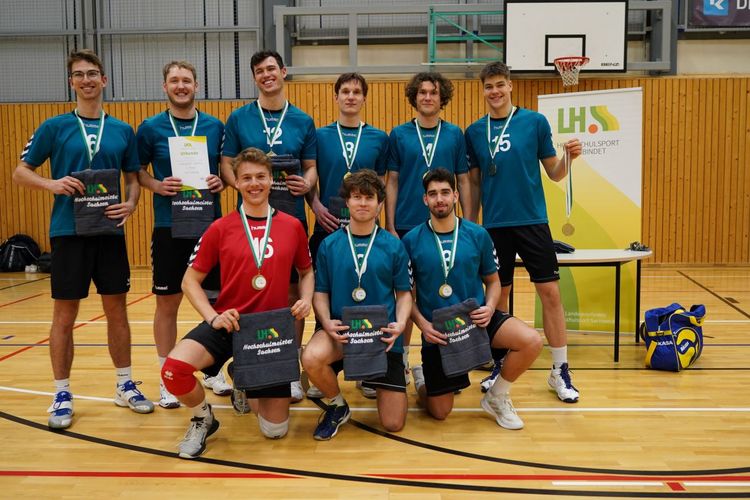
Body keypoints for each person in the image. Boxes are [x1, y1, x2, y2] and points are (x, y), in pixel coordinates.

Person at [13, 49, 153, 429]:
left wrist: (131, 205)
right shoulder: (53, 127)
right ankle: (61, 392)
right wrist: (52, 183)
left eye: (93, 73)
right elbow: (20, 172)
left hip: (108, 232)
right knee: (64, 315)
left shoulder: (123, 130)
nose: (87, 80)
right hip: (67, 233)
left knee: (116, 311)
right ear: (71, 83)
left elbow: (132, 178)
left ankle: (124, 384)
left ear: (104, 80)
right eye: (79, 75)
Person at [161, 147, 313, 459]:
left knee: (275, 431)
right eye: (246, 178)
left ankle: (241, 379)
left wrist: (306, 299)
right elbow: (189, 281)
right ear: (237, 183)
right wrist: (213, 316)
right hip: (230, 324)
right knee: (174, 371)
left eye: (260, 177)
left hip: (268, 335)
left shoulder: (292, 226)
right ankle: (204, 418)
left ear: (272, 180)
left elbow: (306, 271)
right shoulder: (219, 228)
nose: (254, 183)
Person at [464, 62, 583, 403]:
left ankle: (559, 369)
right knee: (498, 298)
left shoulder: (533, 122)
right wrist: (471, 224)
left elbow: (555, 174)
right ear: (483, 90)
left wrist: (569, 158)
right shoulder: (475, 131)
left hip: (532, 222)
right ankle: (500, 365)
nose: (495, 91)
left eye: (500, 84)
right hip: (494, 227)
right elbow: (472, 182)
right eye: (489, 86)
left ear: (510, 86)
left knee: (550, 295)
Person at [402, 168, 542, 429]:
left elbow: (493, 282)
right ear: (425, 200)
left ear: (455, 195)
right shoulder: (410, 241)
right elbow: (406, 295)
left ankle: (497, 397)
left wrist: (489, 308)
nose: (439, 199)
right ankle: (423, 382)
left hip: (476, 320)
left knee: (531, 341)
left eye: (445, 192)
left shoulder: (478, 235)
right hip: (439, 330)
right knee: (440, 412)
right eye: (433, 194)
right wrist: (423, 325)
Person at [220, 50, 317, 402]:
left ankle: (288, 368)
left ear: (284, 72)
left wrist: (306, 184)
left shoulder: (303, 120)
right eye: (259, 71)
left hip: (289, 218)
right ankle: (245, 369)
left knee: (292, 298)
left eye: (271, 69)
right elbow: (226, 164)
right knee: (247, 297)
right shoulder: (239, 118)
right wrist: (246, 188)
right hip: (248, 221)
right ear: (255, 77)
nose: (266, 75)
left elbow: (311, 168)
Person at [136, 60, 231, 409]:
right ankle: (165, 376)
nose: (181, 86)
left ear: (196, 86)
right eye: (174, 81)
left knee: (219, 300)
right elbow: (137, 172)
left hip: (210, 226)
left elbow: (224, 169)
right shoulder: (149, 128)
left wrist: (221, 181)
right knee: (168, 302)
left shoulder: (214, 126)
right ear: (165, 87)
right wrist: (157, 185)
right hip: (169, 227)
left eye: (186, 80)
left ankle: (212, 369)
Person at [302, 170, 411, 440]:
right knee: (311, 357)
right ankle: (338, 405)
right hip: (345, 334)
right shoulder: (329, 245)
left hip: (382, 337)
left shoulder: (393, 246)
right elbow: (320, 292)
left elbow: (405, 294)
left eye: (369, 198)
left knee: (393, 423)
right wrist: (326, 321)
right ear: (347, 202)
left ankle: (375, 378)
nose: (363, 203)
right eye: (356, 197)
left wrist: (399, 324)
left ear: (379, 204)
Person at [306, 72, 389, 400]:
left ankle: (368, 368)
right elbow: (310, 178)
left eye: (357, 92)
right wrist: (315, 207)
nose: (351, 96)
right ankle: (322, 366)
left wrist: (377, 216)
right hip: (326, 229)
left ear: (364, 98)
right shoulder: (320, 135)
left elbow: (381, 185)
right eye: (345, 91)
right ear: (336, 97)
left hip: (366, 230)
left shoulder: (379, 138)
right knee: (323, 293)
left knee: (366, 294)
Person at [385, 72, 473, 373]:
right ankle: (402, 358)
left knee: (441, 288)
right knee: (405, 292)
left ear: (442, 97)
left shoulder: (454, 135)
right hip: (408, 225)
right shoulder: (398, 134)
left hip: (447, 226)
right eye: (422, 92)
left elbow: (463, 179)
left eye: (433, 92)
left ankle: (444, 356)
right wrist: (391, 225)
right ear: (414, 97)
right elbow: (392, 181)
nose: (427, 97)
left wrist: (470, 222)